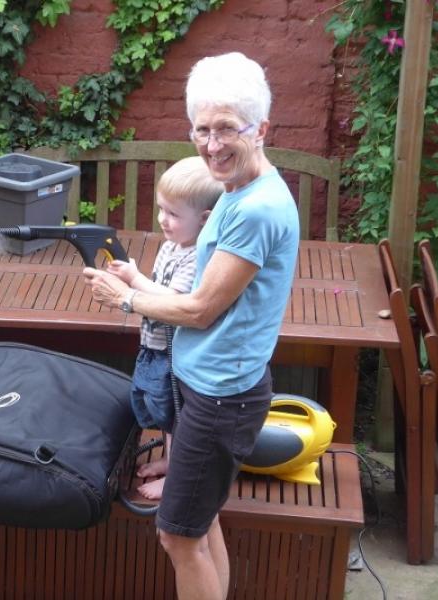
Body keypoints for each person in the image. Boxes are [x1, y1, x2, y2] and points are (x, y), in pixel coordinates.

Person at [83, 52, 300, 600]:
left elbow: (202, 309)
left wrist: (128, 299)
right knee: (201, 526)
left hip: (221, 398)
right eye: (201, 129)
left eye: (227, 128)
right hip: (206, 383)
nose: (211, 144)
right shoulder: (233, 191)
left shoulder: (255, 210)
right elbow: (191, 295)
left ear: (262, 129)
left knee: (178, 538)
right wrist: (138, 280)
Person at [105, 156, 222, 501]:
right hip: (154, 345)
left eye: (173, 214)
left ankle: (178, 477)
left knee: (176, 414)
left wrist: (132, 282)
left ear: (204, 220)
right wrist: (137, 279)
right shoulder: (173, 246)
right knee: (161, 411)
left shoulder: (197, 254)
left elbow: (173, 298)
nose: (162, 220)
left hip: (176, 353)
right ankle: (173, 462)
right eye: (161, 209)